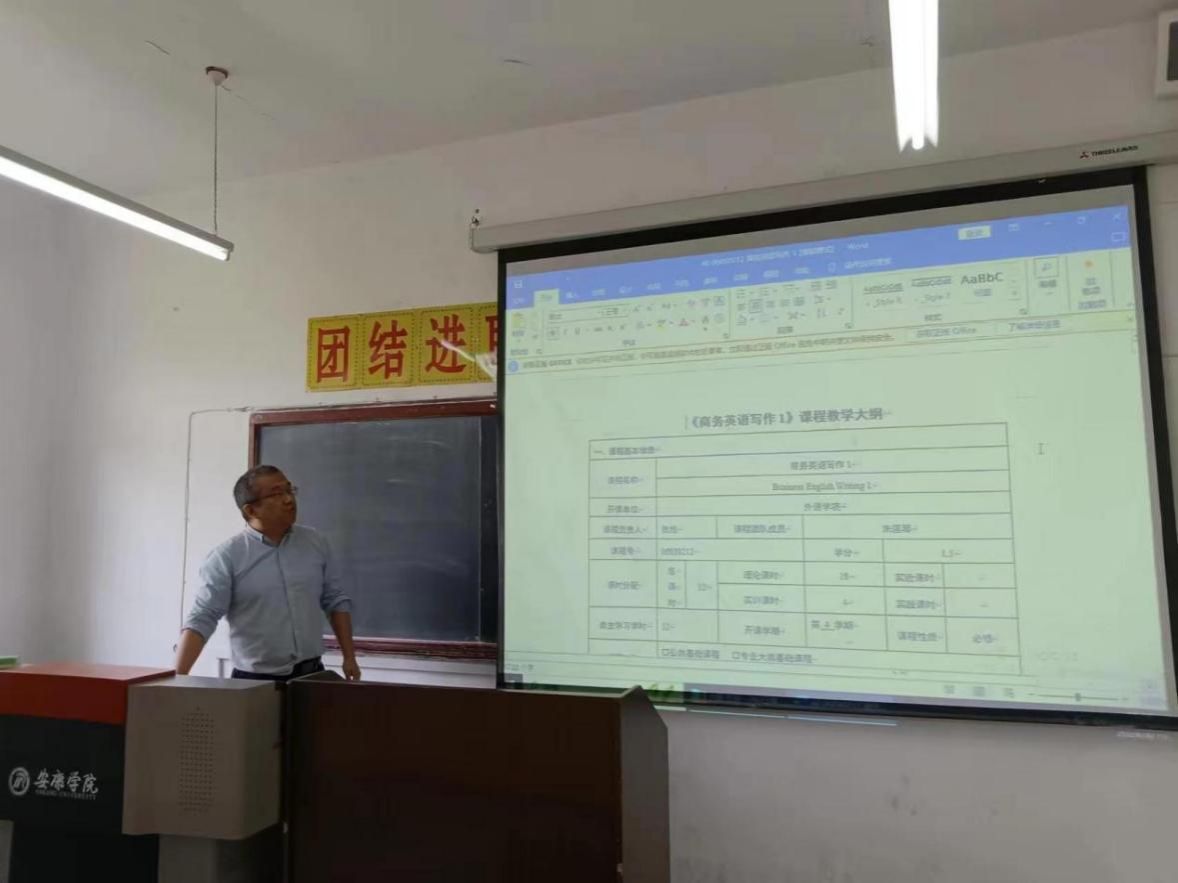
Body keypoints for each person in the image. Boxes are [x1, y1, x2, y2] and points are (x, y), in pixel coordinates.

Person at [174, 465, 361, 682]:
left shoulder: (315, 543)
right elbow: (203, 617)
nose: (289, 500)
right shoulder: (227, 557)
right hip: (254, 681)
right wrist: (177, 678)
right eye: (277, 494)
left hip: (312, 675)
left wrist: (349, 657)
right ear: (251, 511)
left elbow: (334, 600)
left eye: (290, 490)